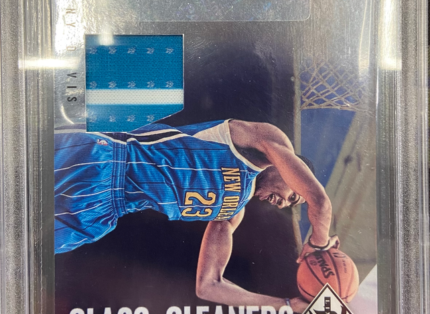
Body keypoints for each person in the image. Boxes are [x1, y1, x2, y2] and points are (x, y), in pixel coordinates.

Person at [55, 119, 339, 313]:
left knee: (29, 246)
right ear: (294, 169)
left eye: (290, 205)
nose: (283, 204)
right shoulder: (261, 141)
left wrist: (286, 305)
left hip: (104, 212)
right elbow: (320, 203)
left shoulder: (232, 212)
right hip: (106, 158)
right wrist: (320, 243)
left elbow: (209, 286)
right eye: (293, 197)